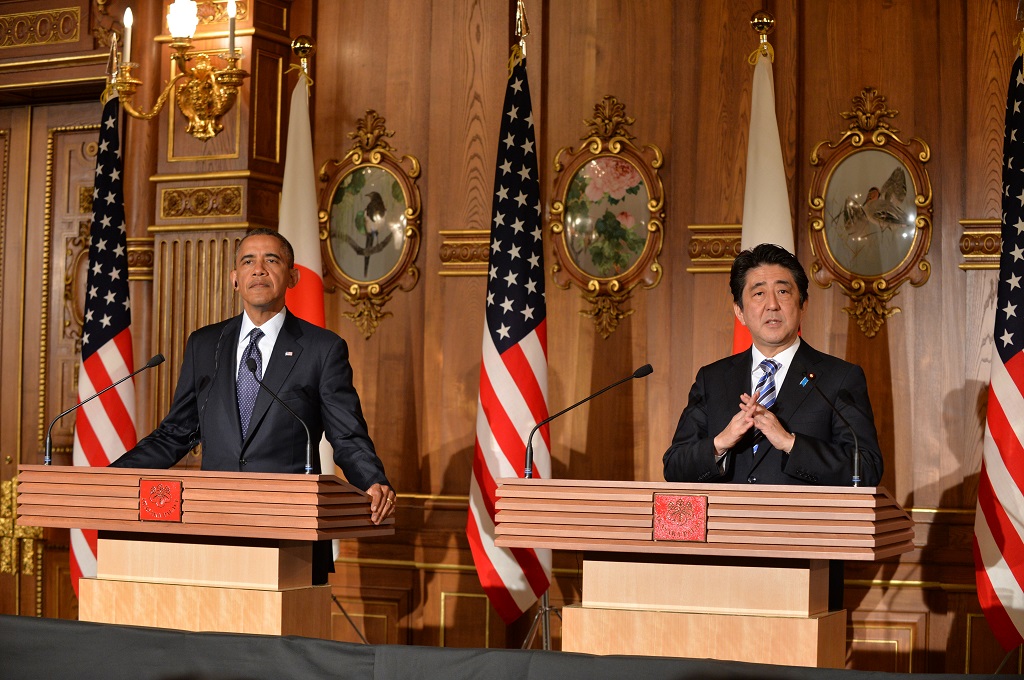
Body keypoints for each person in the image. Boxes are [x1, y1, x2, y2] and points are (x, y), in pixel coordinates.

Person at [110, 228, 395, 583]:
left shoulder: (322, 349)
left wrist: (371, 480)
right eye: (248, 261)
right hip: (214, 528)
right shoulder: (205, 344)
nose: (258, 269)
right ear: (235, 278)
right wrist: (111, 477)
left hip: (291, 534)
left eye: (271, 260)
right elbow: (176, 433)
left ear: (293, 277)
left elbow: (347, 434)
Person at [663, 243, 883, 611]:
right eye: (758, 293)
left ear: (803, 305)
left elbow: (868, 467)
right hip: (721, 559)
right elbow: (674, 466)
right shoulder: (714, 379)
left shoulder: (837, 377)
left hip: (807, 559)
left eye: (783, 291)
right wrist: (720, 442)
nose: (772, 304)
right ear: (739, 310)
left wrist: (791, 443)